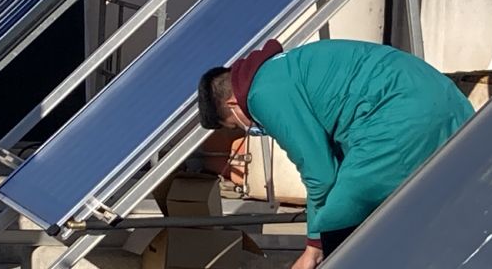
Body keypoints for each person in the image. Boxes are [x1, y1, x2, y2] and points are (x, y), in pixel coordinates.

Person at [197, 39, 473, 268]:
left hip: (400, 118)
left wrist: (314, 246)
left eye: (236, 125)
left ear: (232, 104)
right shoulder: (284, 67)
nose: (248, 128)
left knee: (341, 221)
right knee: (419, 214)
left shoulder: (261, 94)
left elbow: (320, 174)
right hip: (445, 101)